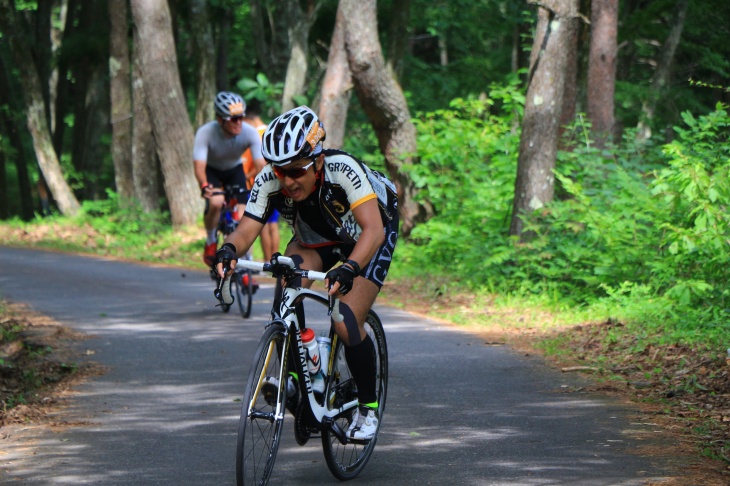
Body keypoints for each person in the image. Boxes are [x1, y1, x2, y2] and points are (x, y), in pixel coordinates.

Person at [214, 106, 399, 440]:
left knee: (344, 317)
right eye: (280, 170)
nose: (287, 180)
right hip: (318, 237)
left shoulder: (342, 170)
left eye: (296, 171)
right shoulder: (272, 179)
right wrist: (228, 250)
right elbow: (246, 230)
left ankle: (367, 408)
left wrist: (350, 268)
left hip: (370, 234)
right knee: (288, 277)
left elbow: (373, 232)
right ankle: (297, 372)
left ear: (317, 160)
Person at [193, 91, 266, 266]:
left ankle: (245, 263)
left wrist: (261, 186)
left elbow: (261, 166)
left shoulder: (249, 132)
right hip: (212, 170)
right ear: (220, 120)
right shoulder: (205, 133)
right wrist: (204, 185)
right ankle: (211, 240)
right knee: (216, 202)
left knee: (242, 216)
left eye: (241, 117)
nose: (239, 123)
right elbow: (199, 166)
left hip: (235, 170)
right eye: (233, 119)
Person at [241, 100, 281, 262]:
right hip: (277, 182)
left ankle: (267, 261)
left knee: (263, 224)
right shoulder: (271, 130)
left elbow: (260, 164)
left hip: (261, 185)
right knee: (273, 224)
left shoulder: (255, 135)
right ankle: (275, 260)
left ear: (248, 119)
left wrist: (246, 176)